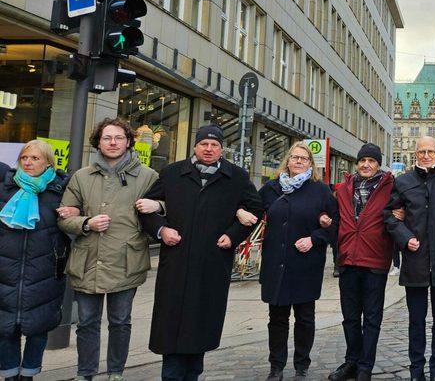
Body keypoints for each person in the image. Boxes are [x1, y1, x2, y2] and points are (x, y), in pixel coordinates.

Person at [139, 124, 263, 380]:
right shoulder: (173, 173)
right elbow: (145, 210)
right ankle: (171, 375)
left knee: (201, 325)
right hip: (176, 262)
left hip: (212, 263)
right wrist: (162, 231)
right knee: (171, 325)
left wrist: (233, 234)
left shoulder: (236, 177)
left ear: (221, 149)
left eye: (214, 145)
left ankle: (193, 373)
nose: (209, 149)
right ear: (195, 146)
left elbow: (255, 209)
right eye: (203, 144)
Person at [57, 118, 159, 381]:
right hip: (88, 259)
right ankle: (85, 373)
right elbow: (64, 217)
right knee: (87, 322)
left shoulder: (148, 176)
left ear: (128, 141)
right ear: (98, 143)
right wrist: (86, 223)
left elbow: (169, 208)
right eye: (107, 138)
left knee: (120, 322)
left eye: (118, 138)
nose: (113, 143)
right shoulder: (81, 176)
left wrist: (158, 207)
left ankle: (116, 372)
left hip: (127, 260)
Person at [255, 142, 338, 381]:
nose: (299, 162)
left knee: (305, 318)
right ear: (287, 161)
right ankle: (276, 366)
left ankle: (302, 365)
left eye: (304, 159)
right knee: (277, 319)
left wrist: (315, 238)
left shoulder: (320, 190)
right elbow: (252, 211)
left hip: (305, 264)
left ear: (311, 164)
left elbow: (336, 225)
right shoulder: (271, 188)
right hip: (276, 263)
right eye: (295, 157)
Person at [384, 136, 435, 381]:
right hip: (415, 261)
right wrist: (405, 237)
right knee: (416, 321)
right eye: (421, 152)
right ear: (414, 154)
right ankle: (417, 372)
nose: (426, 155)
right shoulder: (403, 181)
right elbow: (390, 216)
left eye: (430, 151)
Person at [0, 141, 70, 381]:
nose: (28, 163)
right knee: (4, 327)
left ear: (49, 162)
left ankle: (28, 374)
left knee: (38, 327)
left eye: (35, 158)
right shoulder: (5, 188)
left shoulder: (60, 191)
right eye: (24, 158)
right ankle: (10, 375)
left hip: (44, 271)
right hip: (6, 269)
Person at [328, 143, 395, 381]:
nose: (366, 165)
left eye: (371, 161)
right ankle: (351, 362)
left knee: (372, 317)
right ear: (357, 164)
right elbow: (330, 215)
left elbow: (402, 213)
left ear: (378, 164)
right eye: (362, 161)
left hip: (375, 259)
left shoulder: (390, 188)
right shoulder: (344, 188)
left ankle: (365, 367)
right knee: (350, 317)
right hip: (348, 259)